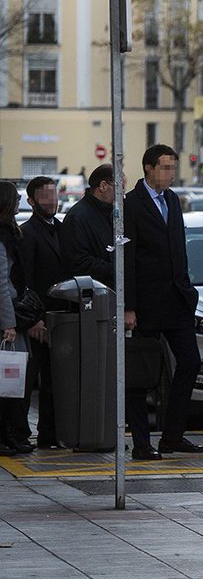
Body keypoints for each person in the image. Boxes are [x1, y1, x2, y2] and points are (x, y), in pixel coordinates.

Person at [123, 145, 203, 461]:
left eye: (173, 167)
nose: (170, 173)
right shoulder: (132, 204)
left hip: (176, 300)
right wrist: (129, 306)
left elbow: (178, 250)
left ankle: (173, 435)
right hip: (146, 304)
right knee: (142, 373)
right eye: (165, 167)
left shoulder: (172, 200)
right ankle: (142, 442)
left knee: (191, 362)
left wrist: (187, 291)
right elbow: (128, 257)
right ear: (148, 168)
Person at [18, 176, 66, 449]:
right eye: (46, 197)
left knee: (53, 380)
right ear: (32, 201)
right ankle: (21, 433)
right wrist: (34, 318)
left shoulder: (61, 229)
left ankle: (50, 434)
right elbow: (25, 280)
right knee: (28, 381)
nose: (52, 202)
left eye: (54, 196)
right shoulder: (28, 233)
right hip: (36, 320)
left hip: (60, 319)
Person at [0, 181, 33, 455]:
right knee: (8, 380)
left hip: (11, 314)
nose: (20, 198)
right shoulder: (2, 236)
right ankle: (7, 435)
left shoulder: (10, 232)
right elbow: (1, 283)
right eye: (16, 196)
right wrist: (9, 323)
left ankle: (11, 434)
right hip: (6, 321)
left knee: (12, 380)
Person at [61, 164, 117, 290]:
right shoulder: (78, 217)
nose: (122, 194)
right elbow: (78, 261)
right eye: (120, 188)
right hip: (93, 294)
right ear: (103, 186)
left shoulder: (111, 213)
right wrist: (116, 268)